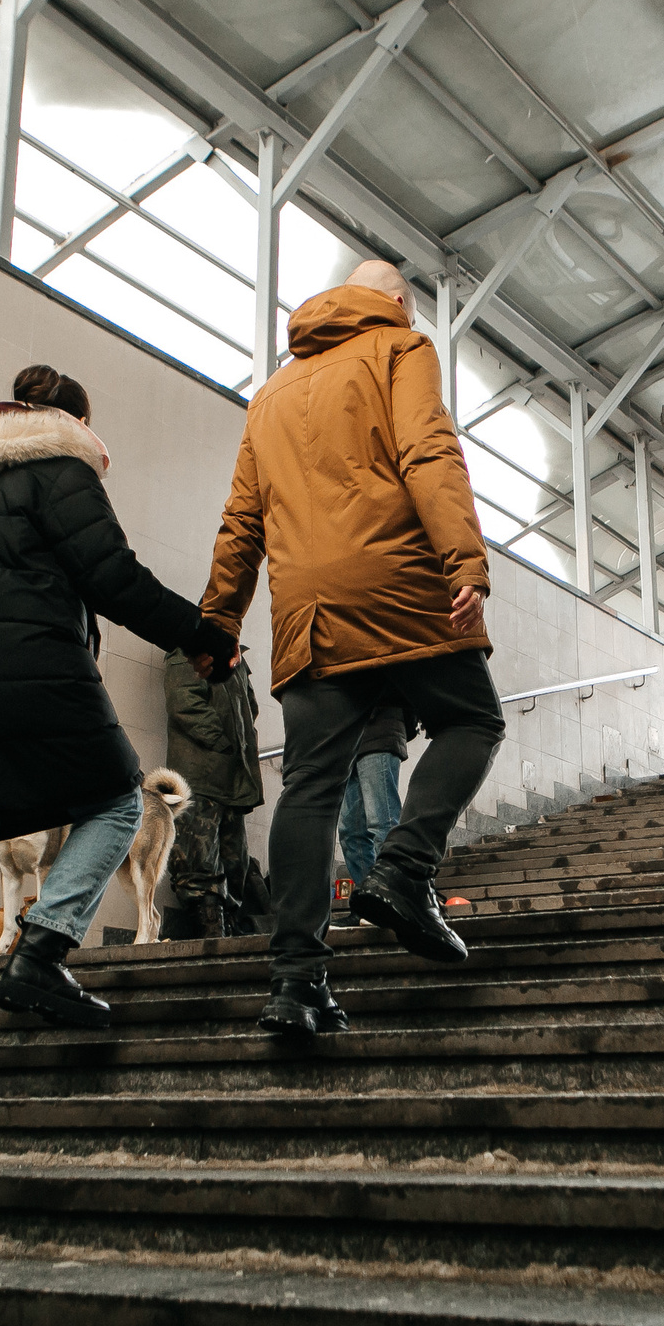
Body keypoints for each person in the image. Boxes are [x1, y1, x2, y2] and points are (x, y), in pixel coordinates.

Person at [0, 364, 239, 1101]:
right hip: (33, 670)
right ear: (72, 422)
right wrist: (199, 634)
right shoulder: (58, 469)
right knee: (116, 798)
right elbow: (112, 575)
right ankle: (41, 953)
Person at [199, 259, 508, 1037]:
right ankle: (404, 872)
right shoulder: (401, 348)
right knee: (474, 721)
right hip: (399, 581)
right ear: (396, 302)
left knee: (309, 785)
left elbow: (242, 521)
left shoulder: (269, 394)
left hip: (307, 610)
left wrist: (217, 623)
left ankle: (297, 982)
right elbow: (428, 452)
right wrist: (462, 559)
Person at [162, 641, 263, 941]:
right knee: (196, 858)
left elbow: (250, 707)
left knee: (235, 860)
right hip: (200, 776)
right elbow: (183, 701)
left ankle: (225, 922)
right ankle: (210, 928)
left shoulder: (236, 659)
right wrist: (222, 742)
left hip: (231, 778)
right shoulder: (185, 650)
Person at [336, 698, 415, 907]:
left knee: (382, 823)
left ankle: (396, 898)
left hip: (380, 729)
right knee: (349, 831)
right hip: (347, 739)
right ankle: (370, 904)